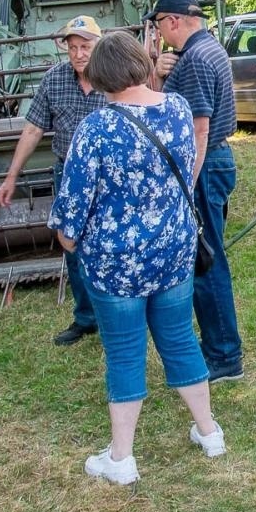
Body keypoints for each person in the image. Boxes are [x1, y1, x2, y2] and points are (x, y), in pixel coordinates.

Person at [49, 30, 225, 484]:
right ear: (141, 63)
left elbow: (71, 209)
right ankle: (209, 432)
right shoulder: (179, 109)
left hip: (116, 263)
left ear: (101, 74)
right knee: (181, 339)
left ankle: (122, 459)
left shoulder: (96, 128)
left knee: (125, 353)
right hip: (173, 251)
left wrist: (70, 242)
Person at [148, 0, 243, 383]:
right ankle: (219, 349)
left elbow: (198, 128)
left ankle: (224, 356)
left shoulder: (196, 60)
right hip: (215, 164)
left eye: (157, 27)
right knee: (207, 258)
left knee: (206, 262)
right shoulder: (206, 51)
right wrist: (161, 71)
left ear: (172, 20)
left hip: (204, 167)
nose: (158, 36)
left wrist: (185, 184)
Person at [0, 15, 107, 346]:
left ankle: (117, 316)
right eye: (72, 47)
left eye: (85, 46)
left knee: (108, 244)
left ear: (98, 46)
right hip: (68, 174)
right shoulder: (54, 79)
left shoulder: (114, 78)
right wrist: (12, 175)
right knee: (71, 244)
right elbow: (33, 129)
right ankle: (86, 318)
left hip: (107, 176)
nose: (77, 54)